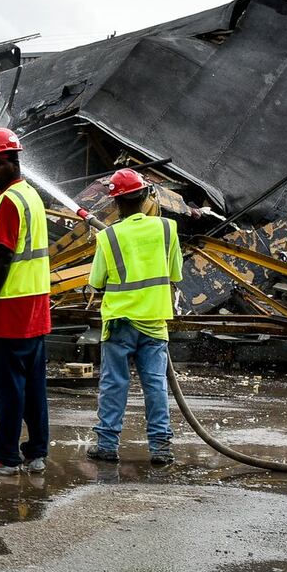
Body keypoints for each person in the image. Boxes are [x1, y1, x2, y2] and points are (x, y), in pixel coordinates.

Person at [86, 168, 184, 466]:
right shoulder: (168, 229)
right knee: (155, 385)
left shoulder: (108, 237)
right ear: (145, 197)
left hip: (119, 322)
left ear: (116, 203)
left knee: (114, 383)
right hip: (154, 320)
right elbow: (175, 272)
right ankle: (160, 448)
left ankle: (107, 445)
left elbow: (97, 281)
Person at [0, 128, 52, 476]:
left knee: (9, 389)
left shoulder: (7, 203)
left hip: (11, 309)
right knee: (34, 386)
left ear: (13, 161)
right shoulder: (31, 195)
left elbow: (2, 255)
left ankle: (5, 457)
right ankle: (36, 453)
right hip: (36, 306)